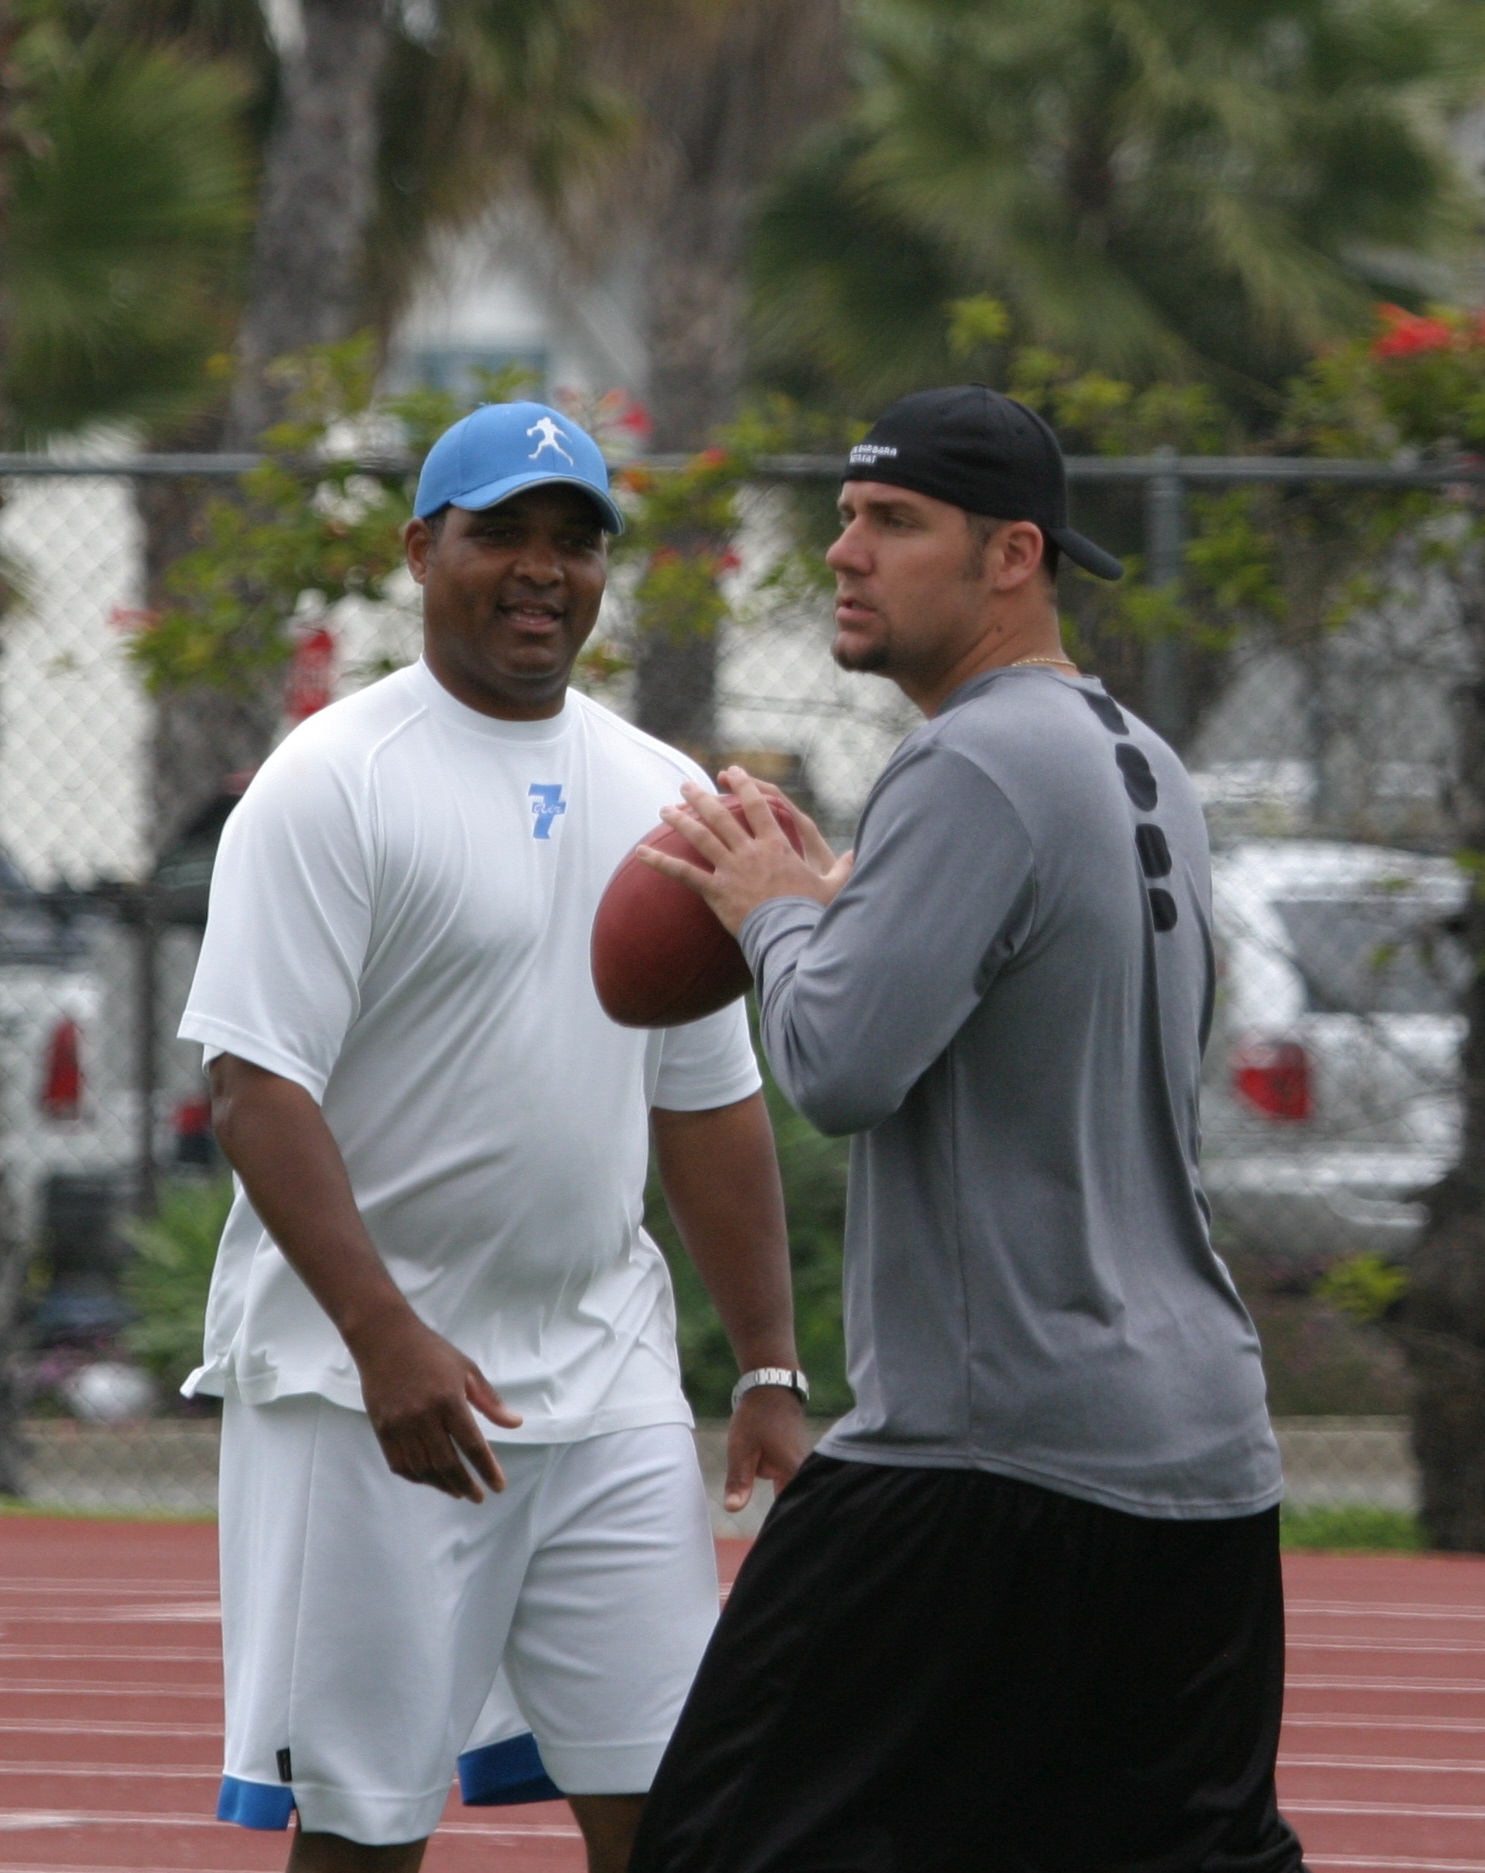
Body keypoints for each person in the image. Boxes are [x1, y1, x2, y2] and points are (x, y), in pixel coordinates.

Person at [630, 385, 1306, 1873]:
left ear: (1012, 556)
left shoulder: (969, 760)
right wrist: (837, 907)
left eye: (891, 523)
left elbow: (837, 1064)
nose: (842, 554)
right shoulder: (1145, 762)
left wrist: (771, 920)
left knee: (715, 1844)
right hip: (1199, 1451)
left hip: (992, 1452)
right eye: (843, 520)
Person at [178, 399, 811, 1873]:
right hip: (366, 1393)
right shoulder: (332, 781)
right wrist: (384, 1336)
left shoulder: (667, 795)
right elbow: (255, 1088)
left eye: (574, 542)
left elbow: (706, 1098)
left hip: (606, 1380)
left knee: (681, 1814)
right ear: (420, 550)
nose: (542, 571)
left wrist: (769, 1364)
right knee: (364, 1832)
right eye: (503, 534)